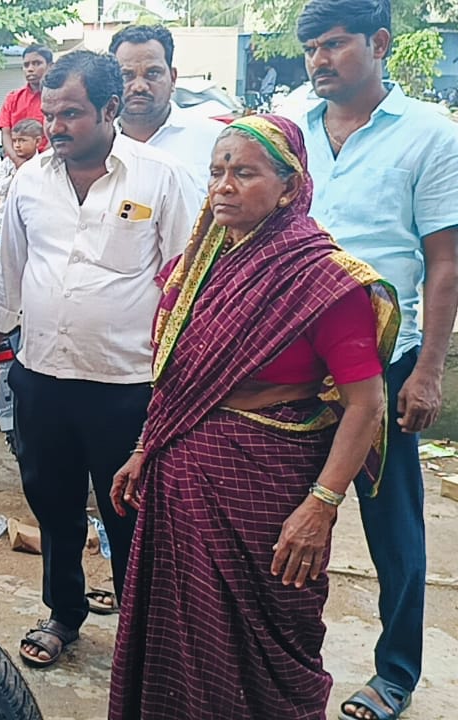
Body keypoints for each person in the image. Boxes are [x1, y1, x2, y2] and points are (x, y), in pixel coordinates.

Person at [108, 114, 399, 720]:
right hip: (182, 474)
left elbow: (367, 404)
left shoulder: (323, 280)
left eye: (244, 173)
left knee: (273, 642)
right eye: (217, 172)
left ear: (290, 187)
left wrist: (321, 504)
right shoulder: (197, 267)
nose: (223, 186)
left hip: (267, 487)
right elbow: (178, 374)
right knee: (179, 634)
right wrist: (145, 446)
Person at [0, 50, 198, 669]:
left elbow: (185, 283)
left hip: (127, 386)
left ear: (109, 108)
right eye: (50, 114)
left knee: (129, 513)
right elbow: (10, 273)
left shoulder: (160, 177)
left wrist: (179, 382)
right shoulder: (28, 181)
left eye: (71, 113)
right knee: (52, 504)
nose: (56, 127)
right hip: (42, 376)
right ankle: (63, 613)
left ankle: (139, 628)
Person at [294, 0, 458, 717]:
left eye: (334, 45)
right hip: (292, 362)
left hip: (383, 367)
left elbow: (444, 263)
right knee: (288, 512)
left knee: (392, 525)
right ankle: (285, 654)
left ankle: (394, 673)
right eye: (310, 49)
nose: (319, 61)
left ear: (380, 42)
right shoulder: (292, 126)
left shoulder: (428, 134)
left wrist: (428, 371)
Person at [109, 24, 226, 193]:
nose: (139, 86)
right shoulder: (94, 143)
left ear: (173, 78)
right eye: (127, 75)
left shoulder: (216, 140)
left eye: (153, 73)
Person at [0, 118, 43, 234]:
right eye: (15, 141)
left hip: (32, 223)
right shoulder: (8, 164)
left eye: (22, 141)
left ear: (37, 142)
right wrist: (14, 176)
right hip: (3, 224)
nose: (17, 145)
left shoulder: (43, 165)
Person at [0, 45, 53, 161]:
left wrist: (41, 161)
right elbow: (6, 134)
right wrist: (18, 162)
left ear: (50, 66)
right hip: (15, 163)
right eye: (26, 65)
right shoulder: (12, 98)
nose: (30, 69)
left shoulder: (58, 98)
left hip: (50, 161)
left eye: (37, 63)